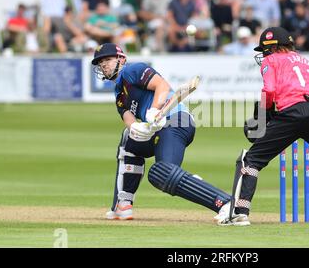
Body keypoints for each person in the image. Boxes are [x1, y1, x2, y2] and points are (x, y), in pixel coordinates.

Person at [215, 27, 309, 226]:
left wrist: (263, 115)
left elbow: (269, 89)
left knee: (251, 159)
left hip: (293, 112)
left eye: (265, 49)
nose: (263, 55)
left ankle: (239, 213)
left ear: (274, 47)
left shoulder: (271, 60)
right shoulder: (307, 61)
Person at [91, 43, 231, 220]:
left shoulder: (132, 70)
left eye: (108, 60)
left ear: (122, 59)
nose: (104, 65)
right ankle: (122, 204)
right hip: (157, 128)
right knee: (131, 142)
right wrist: (136, 127)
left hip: (177, 121)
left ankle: (224, 203)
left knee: (163, 173)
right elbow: (127, 117)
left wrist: (155, 109)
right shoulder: (119, 93)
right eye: (101, 62)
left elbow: (162, 86)